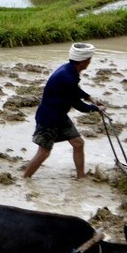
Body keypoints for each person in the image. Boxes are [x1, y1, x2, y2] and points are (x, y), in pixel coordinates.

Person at [22, 43, 104, 179]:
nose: (90, 63)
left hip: (60, 115)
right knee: (44, 152)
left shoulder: (69, 70)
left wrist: (90, 98)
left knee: (78, 143)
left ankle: (81, 177)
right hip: (48, 118)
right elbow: (78, 105)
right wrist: (96, 109)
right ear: (83, 62)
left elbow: (75, 90)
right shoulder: (67, 77)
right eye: (89, 60)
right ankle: (25, 178)